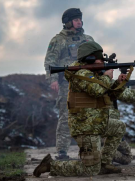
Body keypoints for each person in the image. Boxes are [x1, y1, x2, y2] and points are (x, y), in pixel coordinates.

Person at [34, 41, 135, 177]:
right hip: (85, 127)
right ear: (89, 58)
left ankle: (105, 163)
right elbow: (97, 90)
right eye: (100, 58)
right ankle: (50, 165)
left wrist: (119, 83)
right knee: (90, 170)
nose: (102, 61)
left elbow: (112, 93)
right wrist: (107, 77)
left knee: (119, 127)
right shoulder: (81, 73)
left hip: (97, 122)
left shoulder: (94, 73)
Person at [44, 8, 94, 159]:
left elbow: (98, 61)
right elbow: (50, 62)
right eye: (76, 19)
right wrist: (52, 80)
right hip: (67, 85)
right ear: (68, 22)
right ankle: (62, 151)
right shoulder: (58, 40)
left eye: (80, 19)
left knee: (88, 116)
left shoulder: (88, 40)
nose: (79, 22)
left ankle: (89, 149)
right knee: (66, 117)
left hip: (87, 85)